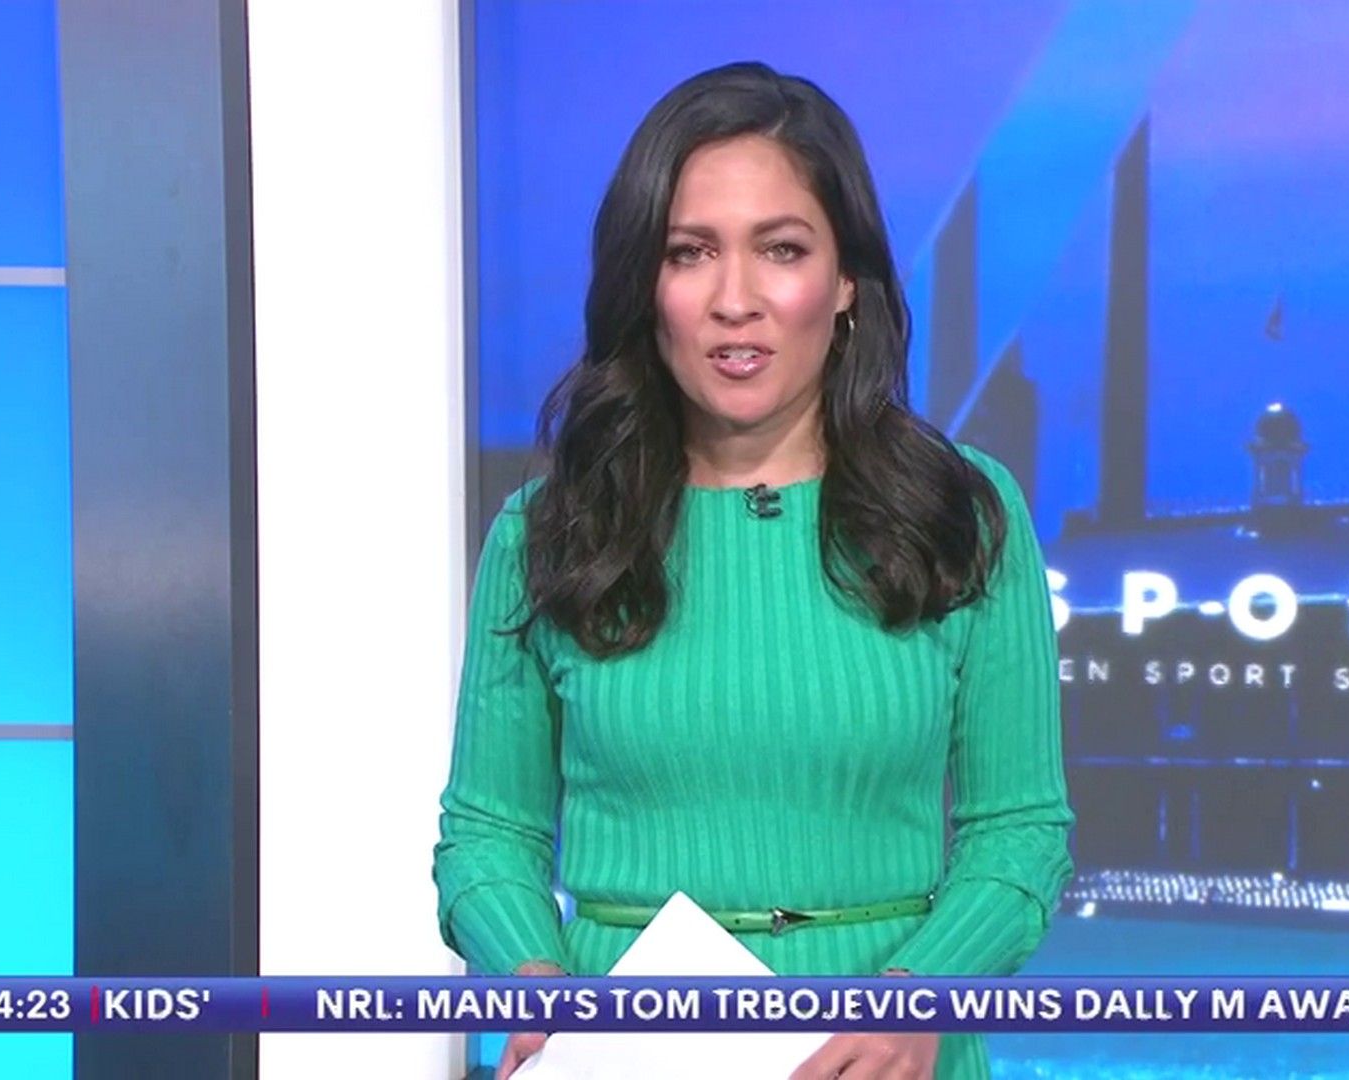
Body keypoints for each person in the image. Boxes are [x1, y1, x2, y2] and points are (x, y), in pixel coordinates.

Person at [433, 60, 1074, 1080]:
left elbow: (1022, 831)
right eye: (690, 253)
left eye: (781, 249)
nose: (735, 300)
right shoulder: (549, 530)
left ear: (846, 279)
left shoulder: (964, 512)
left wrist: (923, 995)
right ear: (647, 287)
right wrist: (533, 979)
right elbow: (485, 831)